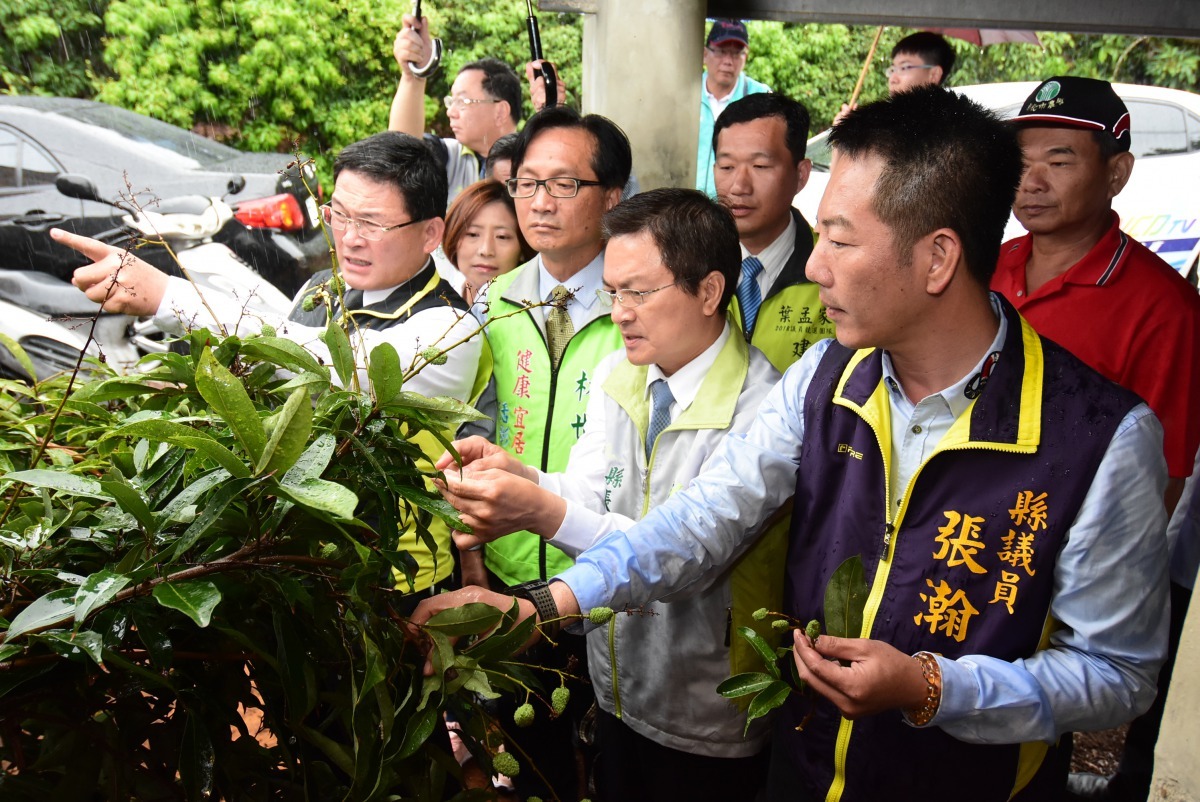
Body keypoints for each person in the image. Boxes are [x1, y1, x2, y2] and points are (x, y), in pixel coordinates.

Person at [412, 87, 1170, 802]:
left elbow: (1118, 672)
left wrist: (933, 687)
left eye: (839, 238)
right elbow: (704, 519)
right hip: (801, 769)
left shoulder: (1100, 438)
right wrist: (539, 607)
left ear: (937, 258)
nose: (813, 265)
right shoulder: (826, 378)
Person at [436, 188, 785, 801]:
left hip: (709, 709)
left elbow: (682, 557)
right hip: (619, 681)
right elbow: (595, 494)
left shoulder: (762, 410)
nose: (619, 312)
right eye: (614, 291)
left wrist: (539, 510)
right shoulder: (621, 374)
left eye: (638, 293)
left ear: (708, 291)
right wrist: (525, 478)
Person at [58, 131, 482, 598]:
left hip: (396, 577)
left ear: (430, 233)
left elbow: (330, 366)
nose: (350, 238)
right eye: (338, 215)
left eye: (373, 224)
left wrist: (168, 296)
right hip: (299, 560)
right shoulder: (320, 286)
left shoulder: (450, 325)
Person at [990, 76, 1200, 802]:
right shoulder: (988, 266)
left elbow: (1162, 478)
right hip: (961, 542)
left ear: (1117, 170)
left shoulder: (1161, 306)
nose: (1033, 181)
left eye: (1060, 158)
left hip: (1057, 565)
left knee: (1028, 737)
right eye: (1020, 161)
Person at [469, 104, 632, 801]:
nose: (538, 201)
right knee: (532, 760)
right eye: (526, 183)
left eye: (563, 185)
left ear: (612, 197)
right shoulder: (494, 301)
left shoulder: (640, 301)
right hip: (511, 575)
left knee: (618, 759)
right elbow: (472, 428)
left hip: (614, 577)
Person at [713, 92, 831, 371]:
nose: (739, 186)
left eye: (760, 166)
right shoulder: (687, 265)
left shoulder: (834, 270)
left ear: (800, 175)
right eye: (727, 166)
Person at [391, 13, 523, 202]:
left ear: (500, 111)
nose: (450, 112)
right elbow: (401, 150)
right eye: (451, 101)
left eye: (462, 101)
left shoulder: (532, 162)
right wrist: (414, 75)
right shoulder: (449, 158)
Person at [696, 19, 770, 197]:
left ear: (746, 57)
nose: (728, 61)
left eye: (736, 54)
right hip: (685, 205)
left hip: (736, 203)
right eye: (721, 52)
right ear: (705, 54)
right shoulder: (685, 92)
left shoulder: (760, 97)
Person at [440, 179, 534, 305]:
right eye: (473, 234)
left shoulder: (535, 312)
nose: (486, 250)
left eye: (502, 237)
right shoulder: (436, 300)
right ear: (453, 238)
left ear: (523, 247)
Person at [836, 31, 954, 121]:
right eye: (893, 69)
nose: (893, 79)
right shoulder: (886, 122)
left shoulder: (946, 124)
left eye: (904, 68)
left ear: (934, 75)